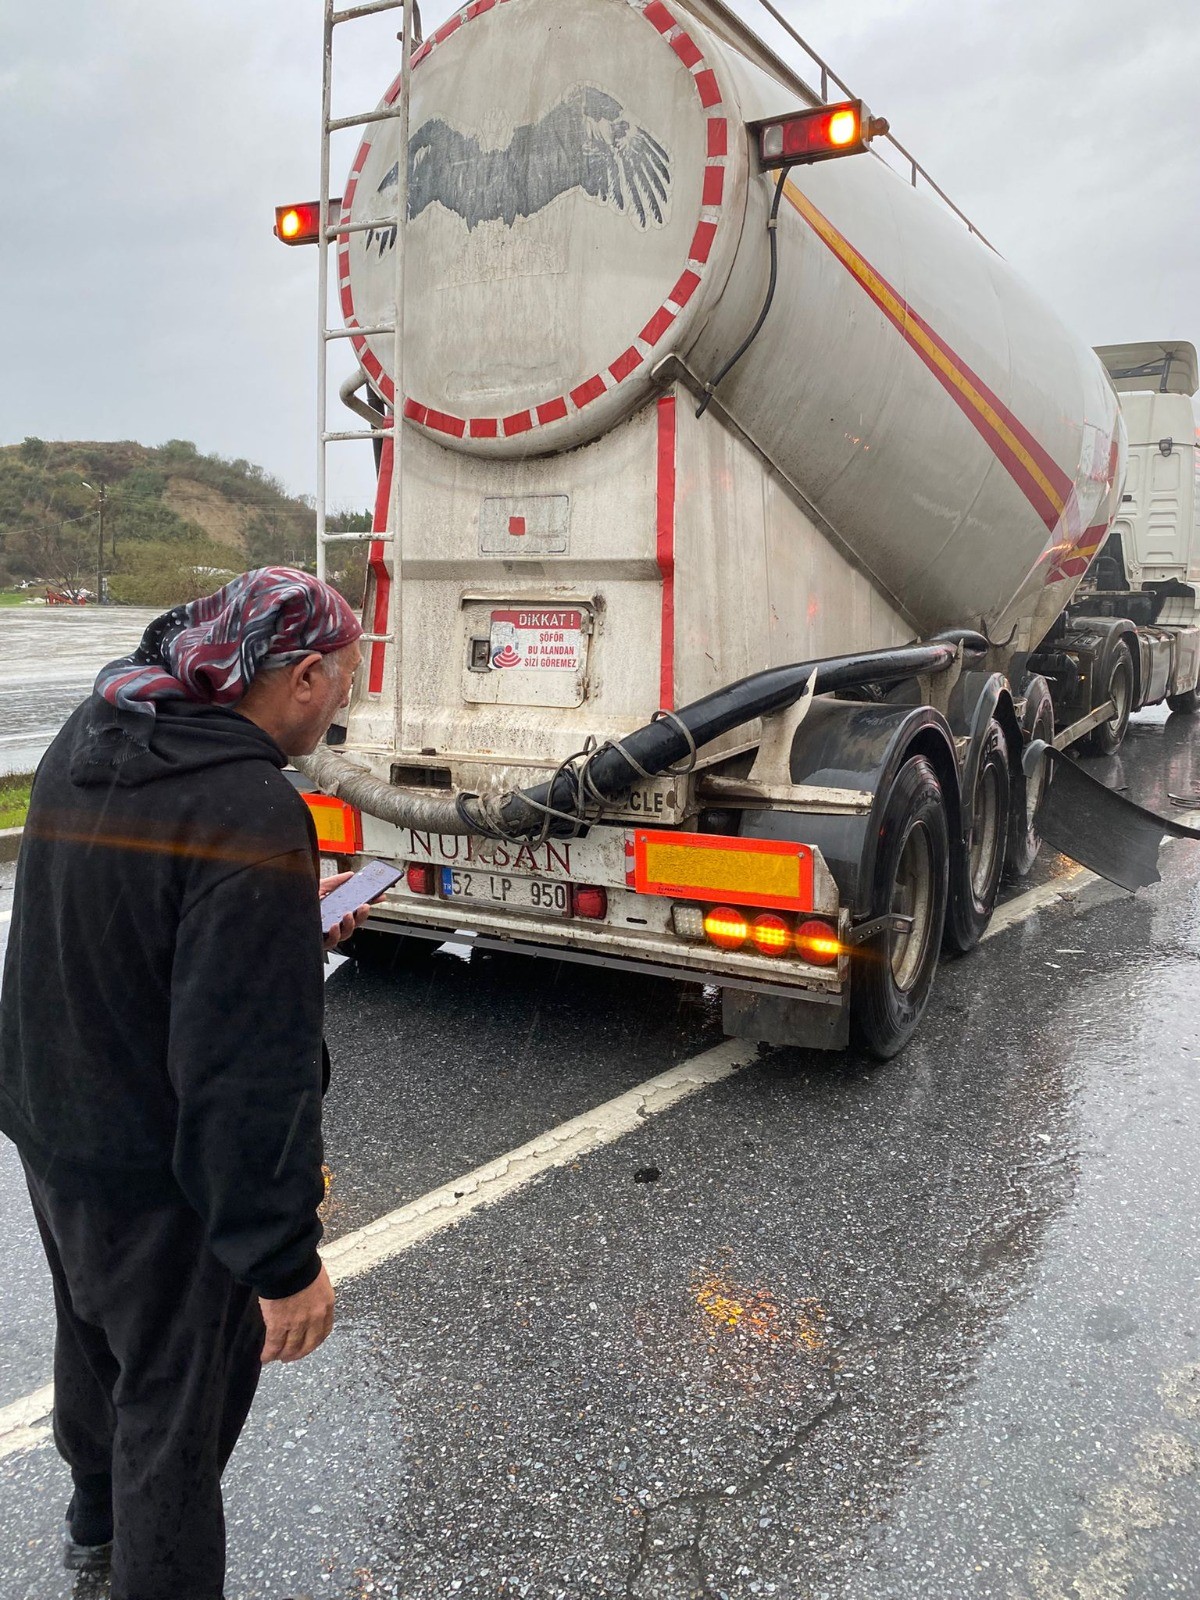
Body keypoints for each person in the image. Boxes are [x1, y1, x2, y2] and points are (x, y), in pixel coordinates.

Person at [0, 567, 370, 1598]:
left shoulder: (102, 726)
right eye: (343, 679)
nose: (346, 699)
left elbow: (125, 910)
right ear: (299, 678)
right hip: (156, 1173)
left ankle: (92, 1522)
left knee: (93, 1341)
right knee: (176, 1415)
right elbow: (249, 1070)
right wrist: (282, 1260)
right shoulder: (248, 806)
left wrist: (275, 917)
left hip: (51, 1123)